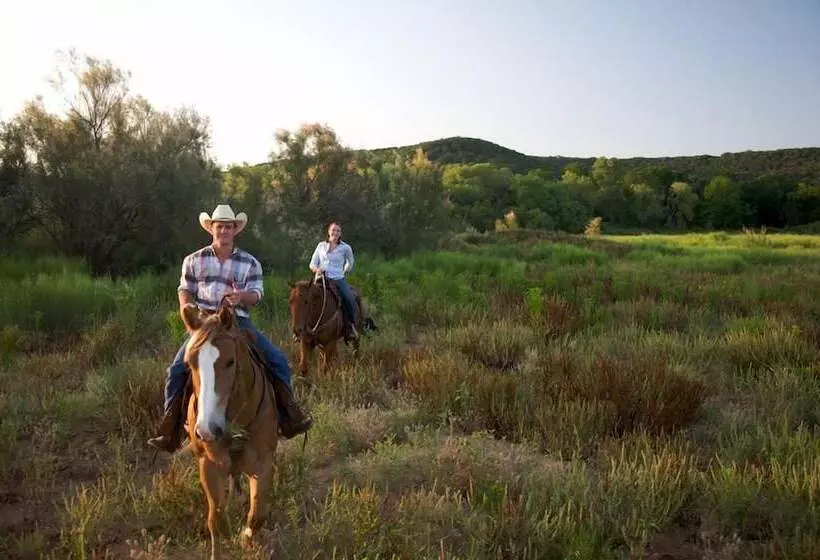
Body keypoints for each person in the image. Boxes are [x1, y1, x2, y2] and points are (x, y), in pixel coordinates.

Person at [147, 204, 313, 453]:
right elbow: (185, 288)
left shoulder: (250, 262)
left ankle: (289, 417)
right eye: (219, 226)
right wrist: (187, 311)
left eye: (228, 226)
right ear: (211, 229)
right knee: (176, 370)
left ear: (235, 230)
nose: (224, 230)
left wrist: (241, 297)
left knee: (277, 360)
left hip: (237, 322)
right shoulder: (194, 259)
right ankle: (169, 429)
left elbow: (257, 295)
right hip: (203, 325)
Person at [309, 222, 358, 341]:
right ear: (328, 231)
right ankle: (303, 329)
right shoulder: (320, 246)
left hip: (337, 279)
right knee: (305, 298)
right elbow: (312, 263)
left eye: (338, 231)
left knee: (349, 298)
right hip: (321, 278)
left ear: (340, 233)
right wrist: (317, 269)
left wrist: (344, 271)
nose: (335, 233)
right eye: (333, 230)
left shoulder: (345, 248)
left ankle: (350, 326)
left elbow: (350, 262)